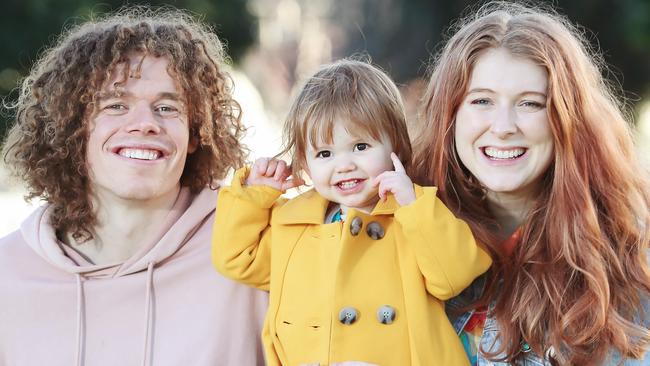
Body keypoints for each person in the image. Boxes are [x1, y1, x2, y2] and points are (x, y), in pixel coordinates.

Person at [0, 8, 268, 366]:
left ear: (195, 133)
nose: (145, 124)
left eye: (167, 108)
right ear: (74, 130)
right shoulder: (9, 274)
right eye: (116, 105)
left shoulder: (254, 248)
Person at [211, 59, 492, 366]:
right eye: (325, 153)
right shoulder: (292, 223)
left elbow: (454, 275)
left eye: (360, 147)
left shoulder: (414, 211)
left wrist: (414, 207)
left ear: (396, 145)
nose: (344, 165)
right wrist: (253, 195)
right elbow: (236, 258)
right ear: (304, 162)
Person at [413, 2, 650, 365]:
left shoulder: (629, 255)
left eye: (530, 104)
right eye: (482, 100)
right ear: (450, 114)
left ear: (569, 121)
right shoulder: (398, 231)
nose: (504, 125)